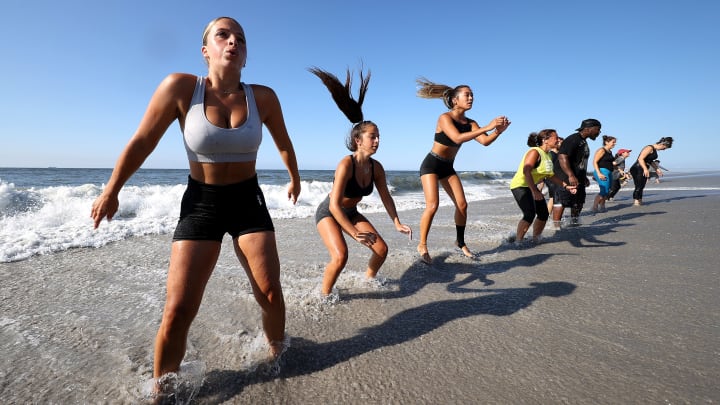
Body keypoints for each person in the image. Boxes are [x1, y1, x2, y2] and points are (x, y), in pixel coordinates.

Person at [90, 17, 301, 387]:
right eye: (223, 35)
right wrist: (112, 188)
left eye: (241, 39)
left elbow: (283, 141)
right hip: (201, 202)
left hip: (248, 200)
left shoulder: (263, 97)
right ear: (206, 51)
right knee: (178, 310)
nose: (233, 41)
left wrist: (295, 178)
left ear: (246, 56)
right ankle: (162, 389)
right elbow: (143, 140)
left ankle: (277, 357)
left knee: (270, 293)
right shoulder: (181, 87)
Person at [309, 66, 412, 296]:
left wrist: (396, 222)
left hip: (351, 213)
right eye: (372, 137)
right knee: (340, 256)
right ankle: (324, 296)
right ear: (358, 140)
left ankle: (368, 281)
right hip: (329, 213)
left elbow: (386, 196)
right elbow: (335, 206)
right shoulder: (346, 164)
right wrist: (353, 233)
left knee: (381, 250)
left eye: (378, 137)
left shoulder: (377, 168)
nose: (377, 140)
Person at [415, 78, 511, 263]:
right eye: (467, 95)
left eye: (472, 95)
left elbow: (484, 141)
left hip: (447, 167)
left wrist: (498, 131)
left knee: (462, 205)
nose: (471, 98)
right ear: (454, 100)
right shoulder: (445, 118)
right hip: (431, 165)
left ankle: (460, 242)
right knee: (433, 205)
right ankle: (422, 244)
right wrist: (488, 126)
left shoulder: (470, 122)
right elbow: (457, 138)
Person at [510, 130, 576, 243]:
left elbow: (550, 176)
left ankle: (536, 238)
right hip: (520, 186)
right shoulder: (534, 152)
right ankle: (518, 241)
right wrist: (535, 191)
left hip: (531, 186)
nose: (558, 140)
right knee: (529, 214)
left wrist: (565, 186)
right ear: (545, 140)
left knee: (543, 214)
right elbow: (527, 171)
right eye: (556, 137)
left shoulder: (548, 155)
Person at [551, 118, 601, 226]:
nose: (599, 132)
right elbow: (562, 156)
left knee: (578, 202)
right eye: (597, 129)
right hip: (565, 176)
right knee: (562, 201)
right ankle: (556, 227)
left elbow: (579, 161)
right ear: (588, 129)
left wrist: (583, 176)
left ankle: (574, 223)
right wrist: (571, 175)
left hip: (578, 177)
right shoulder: (573, 139)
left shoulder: (583, 141)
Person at [629, 138, 673, 205]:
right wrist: (645, 169)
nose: (663, 150)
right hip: (637, 168)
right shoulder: (649, 148)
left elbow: (650, 161)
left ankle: (639, 199)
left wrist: (657, 169)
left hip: (642, 167)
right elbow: (640, 159)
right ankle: (636, 201)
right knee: (639, 185)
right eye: (664, 148)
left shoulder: (654, 150)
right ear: (662, 144)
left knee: (642, 185)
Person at [591, 135, 617, 212]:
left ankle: (602, 206)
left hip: (609, 172)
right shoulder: (601, 150)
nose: (614, 144)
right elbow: (594, 162)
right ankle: (594, 207)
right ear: (606, 142)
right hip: (602, 171)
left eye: (615, 142)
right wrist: (598, 173)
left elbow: (609, 162)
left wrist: (618, 169)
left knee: (607, 190)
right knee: (604, 191)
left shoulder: (610, 151)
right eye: (613, 142)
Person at [544, 136, 564, 220]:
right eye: (559, 142)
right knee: (553, 197)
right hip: (551, 178)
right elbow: (546, 168)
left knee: (553, 197)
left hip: (557, 178)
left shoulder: (559, 154)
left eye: (561, 143)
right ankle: (547, 215)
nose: (560, 144)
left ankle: (547, 215)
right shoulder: (551, 154)